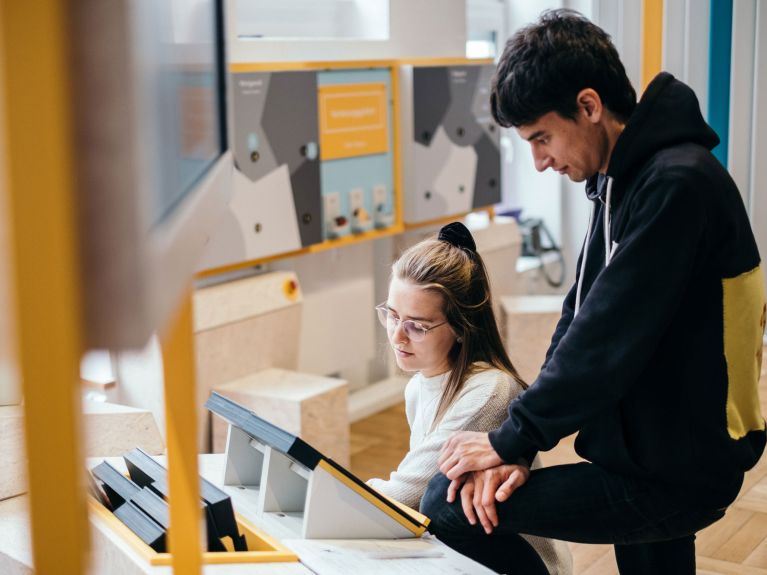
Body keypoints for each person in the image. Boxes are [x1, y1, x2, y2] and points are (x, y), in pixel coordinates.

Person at [420, 9, 767, 575]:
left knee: (448, 502)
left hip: (677, 470)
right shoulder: (620, 178)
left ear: (588, 106)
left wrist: (510, 441)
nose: (539, 161)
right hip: (642, 449)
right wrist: (520, 448)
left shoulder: (676, 184)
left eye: (542, 138)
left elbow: (606, 338)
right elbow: (578, 317)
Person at [368, 222, 572, 574]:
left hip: (524, 562)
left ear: (461, 327)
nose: (398, 336)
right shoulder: (417, 387)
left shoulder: (489, 390)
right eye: (392, 315)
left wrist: (331, 491)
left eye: (417, 326)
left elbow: (405, 496)